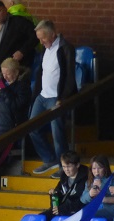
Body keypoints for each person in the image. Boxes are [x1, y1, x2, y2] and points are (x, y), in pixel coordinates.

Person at [29, 20, 78, 176]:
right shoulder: (45, 49)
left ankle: (63, 166)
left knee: (57, 133)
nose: (41, 42)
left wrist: (62, 98)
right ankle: (49, 159)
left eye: (43, 38)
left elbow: (69, 76)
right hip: (43, 96)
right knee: (32, 127)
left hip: (56, 97)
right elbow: (42, 73)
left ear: (52, 34)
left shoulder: (65, 48)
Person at [0, 0, 38, 77]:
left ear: (6, 10)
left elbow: (35, 36)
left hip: (10, 71)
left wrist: (22, 51)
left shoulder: (18, 22)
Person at [44, 151, 87, 221]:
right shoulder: (64, 177)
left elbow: (81, 202)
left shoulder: (85, 178)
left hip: (77, 212)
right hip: (63, 209)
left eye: (69, 166)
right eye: (64, 166)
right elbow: (56, 201)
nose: (66, 169)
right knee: (41, 218)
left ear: (77, 165)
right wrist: (53, 194)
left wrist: (62, 209)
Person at [83, 155, 114, 221]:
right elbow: (83, 199)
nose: (97, 171)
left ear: (105, 168)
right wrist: (89, 194)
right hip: (97, 208)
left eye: (100, 168)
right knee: (86, 215)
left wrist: (102, 186)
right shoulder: (89, 181)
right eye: (94, 168)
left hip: (112, 209)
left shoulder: (113, 179)